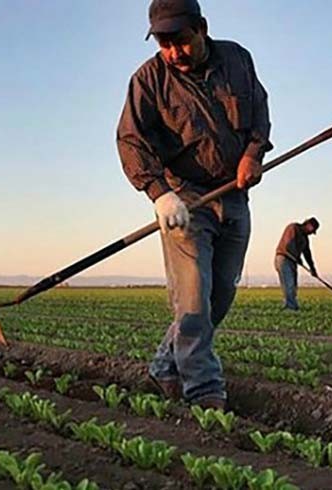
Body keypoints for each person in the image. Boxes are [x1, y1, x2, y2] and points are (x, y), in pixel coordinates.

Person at [117, 0, 272, 409]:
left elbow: (259, 114)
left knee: (219, 296)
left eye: (181, 41)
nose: (173, 53)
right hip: (184, 198)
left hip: (234, 195)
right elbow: (131, 140)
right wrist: (159, 194)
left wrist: (253, 155)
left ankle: (164, 366)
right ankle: (203, 389)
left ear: (201, 28)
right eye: (164, 43)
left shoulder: (238, 59)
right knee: (193, 297)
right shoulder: (149, 79)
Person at [274, 218, 320, 310]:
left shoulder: (305, 239)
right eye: (312, 230)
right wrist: (298, 258)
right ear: (308, 225)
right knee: (289, 283)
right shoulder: (293, 228)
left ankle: (291, 305)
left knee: (293, 284)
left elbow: (307, 254)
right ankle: (290, 307)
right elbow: (289, 245)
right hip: (284, 258)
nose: (311, 233)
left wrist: (312, 268)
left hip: (293, 261)